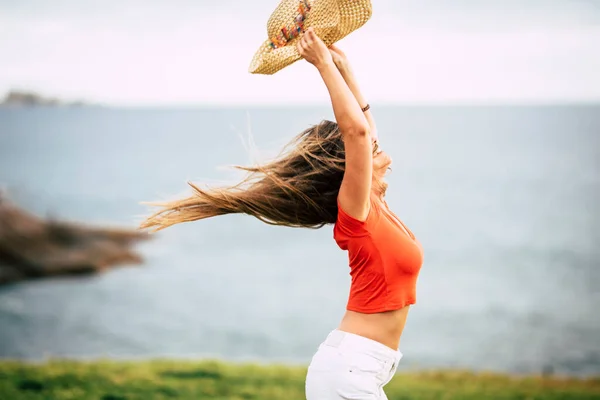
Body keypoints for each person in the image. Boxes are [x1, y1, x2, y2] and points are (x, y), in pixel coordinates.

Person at [141, 27, 423, 399]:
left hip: (362, 368)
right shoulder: (357, 213)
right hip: (349, 370)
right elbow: (355, 132)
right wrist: (323, 66)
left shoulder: (375, 205)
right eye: (371, 146)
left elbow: (362, 128)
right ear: (353, 162)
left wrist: (345, 67)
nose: (376, 142)